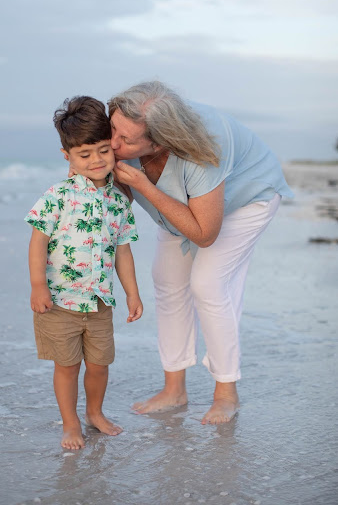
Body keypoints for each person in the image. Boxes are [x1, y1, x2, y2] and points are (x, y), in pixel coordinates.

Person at [108, 80, 293, 425]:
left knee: (207, 284)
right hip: (184, 207)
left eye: (127, 141)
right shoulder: (123, 134)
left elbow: (204, 234)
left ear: (160, 141)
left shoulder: (203, 148)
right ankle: (174, 390)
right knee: (166, 280)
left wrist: (144, 185)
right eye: (113, 130)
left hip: (246, 199)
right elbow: (120, 199)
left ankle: (226, 393)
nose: (115, 145)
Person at [25, 96, 143, 450]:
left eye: (103, 150)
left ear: (114, 149)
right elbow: (38, 241)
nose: (96, 160)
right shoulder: (57, 196)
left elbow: (123, 250)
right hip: (59, 301)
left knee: (99, 365)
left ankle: (95, 412)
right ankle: (70, 422)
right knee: (67, 366)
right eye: (85, 154)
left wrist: (132, 293)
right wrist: (37, 286)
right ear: (69, 157)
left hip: (99, 302)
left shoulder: (119, 201)